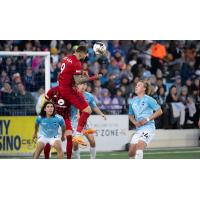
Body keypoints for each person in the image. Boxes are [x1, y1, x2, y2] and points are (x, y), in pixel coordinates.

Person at [58, 45, 102, 145]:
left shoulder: (67, 58)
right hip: (68, 90)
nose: (86, 56)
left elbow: (70, 73)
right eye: (85, 54)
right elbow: (78, 81)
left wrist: (81, 73)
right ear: (80, 53)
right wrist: (94, 78)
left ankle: (82, 130)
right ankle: (78, 134)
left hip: (62, 86)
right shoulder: (77, 63)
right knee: (87, 110)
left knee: (82, 103)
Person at [128, 80, 163, 159]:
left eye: (139, 85)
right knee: (131, 153)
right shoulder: (132, 101)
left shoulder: (149, 99)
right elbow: (130, 115)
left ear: (144, 88)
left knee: (140, 146)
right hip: (138, 129)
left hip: (148, 128)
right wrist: (134, 122)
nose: (136, 86)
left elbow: (159, 111)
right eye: (136, 85)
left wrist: (147, 119)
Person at [72, 83, 106, 159]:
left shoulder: (89, 96)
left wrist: (101, 114)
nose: (83, 86)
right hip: (74, 123)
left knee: (92, 141)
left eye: (85, 84)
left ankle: (93, 159)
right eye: (81, 84)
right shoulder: (72, 94)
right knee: (75, 144)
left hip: (85, 123)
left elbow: (94, 107)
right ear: (77, 85)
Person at [43, 86, 73, 159]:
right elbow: (45, 101)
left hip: (65, 117)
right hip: (54, 116)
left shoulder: (71, 90)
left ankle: (69, 159)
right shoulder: (53, 90)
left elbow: (76, 103)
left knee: (69, 136)